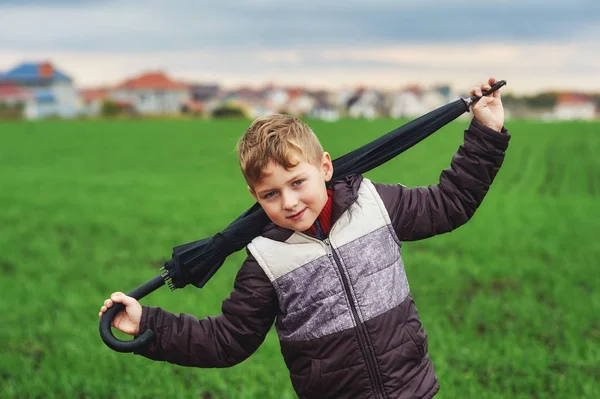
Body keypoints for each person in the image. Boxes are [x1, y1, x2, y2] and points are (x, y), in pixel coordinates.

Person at [99, 77, 510, 398]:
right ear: (254, 196)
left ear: (325, 167)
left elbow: (451, 203)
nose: (290, 202)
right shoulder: (265, 259)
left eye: (298, 182)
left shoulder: (375, 203)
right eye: (271, 194)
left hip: (411, 390)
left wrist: (486, 133)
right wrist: (148, 324)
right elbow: (227, 340)